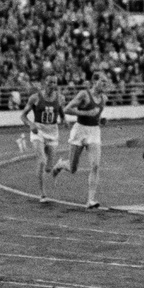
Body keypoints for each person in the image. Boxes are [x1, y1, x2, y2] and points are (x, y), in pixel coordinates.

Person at [50, 70, 112, 208]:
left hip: (94, 131)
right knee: (73, 168)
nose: (104, 84)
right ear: (95, 82)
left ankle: (90, 200)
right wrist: (85, 112)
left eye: (106, 82)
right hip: (80, 130)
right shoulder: (84, 94)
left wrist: (101, 120)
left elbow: (96, 116)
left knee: (95, 165)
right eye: (102, 81)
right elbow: (66, 109)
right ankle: (60, 165)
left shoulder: (104, 99)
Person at [19, 74, 66, 202]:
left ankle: (58, 166)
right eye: (50, 82)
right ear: (45, 83)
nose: (52, 85)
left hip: (52, 132)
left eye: (54, 82)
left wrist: (64, 120)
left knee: (48, 168)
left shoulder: (60, 98)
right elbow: (23, 116)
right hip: (38, 130)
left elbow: (60, 111)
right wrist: (31, 124)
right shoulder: (35, 97)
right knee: (41, 161)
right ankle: (42, 194)